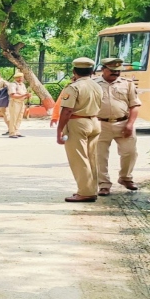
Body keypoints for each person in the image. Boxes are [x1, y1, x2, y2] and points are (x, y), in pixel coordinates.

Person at [55, 57, 103, 203]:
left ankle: (85, 192)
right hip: (94, 121)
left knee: (79, 159)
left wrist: (59, 130)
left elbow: (67, 110)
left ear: (74, 71)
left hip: (78, 122)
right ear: (92, 71)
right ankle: (92, 190)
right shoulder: (97, 85)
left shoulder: (74, 87)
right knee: (91, 157)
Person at [93, 57, 142, 196]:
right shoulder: (94, 84)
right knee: (99, 156)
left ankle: (125, 178)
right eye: (112, 70)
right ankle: (103, 184)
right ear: (103, 69)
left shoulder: (127, 84)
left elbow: (135, 105)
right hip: (100, 123)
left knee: (130, 152)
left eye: (118, 71)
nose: (115, 73)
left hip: (123, 123)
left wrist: (130, 124)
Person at [5, 72, 31, 138]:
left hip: (21, 102)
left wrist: (27, 96)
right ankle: (12, 133)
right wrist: (24, 95)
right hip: (14, 102)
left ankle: (16, 131)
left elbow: (24, 94)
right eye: (18, 77)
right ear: (15, 78)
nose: (19, 79)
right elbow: (13, 95)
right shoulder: (13, 85)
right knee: (13, 118)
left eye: (21, 77)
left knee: (19, 118)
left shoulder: (22, 85)